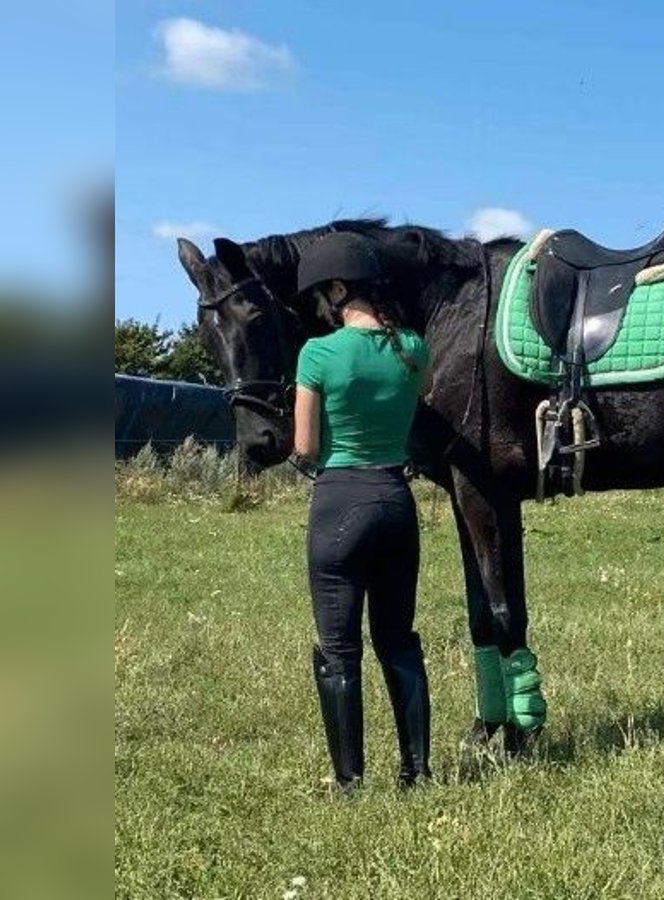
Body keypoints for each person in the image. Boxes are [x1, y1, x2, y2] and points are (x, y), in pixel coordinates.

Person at [291, 231, 431, 792]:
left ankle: (349, 781)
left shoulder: (317, 353)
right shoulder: (414, 348)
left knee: (339, 649)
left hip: (339, 503)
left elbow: (303, 448)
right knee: (398, 640)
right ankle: (417, 771)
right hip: (396, 502)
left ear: (339, 288)